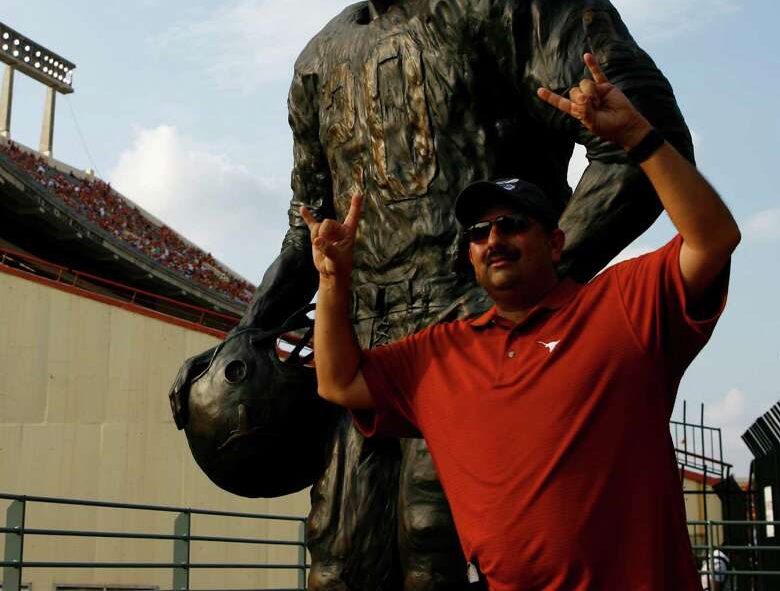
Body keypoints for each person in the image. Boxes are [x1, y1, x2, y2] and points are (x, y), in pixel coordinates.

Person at [171, 0, 695, 590]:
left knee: (448, 553)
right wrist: (249, 325)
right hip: (371, 350)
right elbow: (310, 228)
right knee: (341, 565)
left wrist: (518, 298)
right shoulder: (321, 59)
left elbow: (643, 143)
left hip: (476, 340)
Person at [302, 52, 740, 590]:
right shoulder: (439, 354)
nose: (494, 240)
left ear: (555, 243)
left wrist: (638, 137)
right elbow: (338, 380)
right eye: (479, 233)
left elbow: (713, 240)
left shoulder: (622, 305)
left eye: (511, 224)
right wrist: (333, 280)